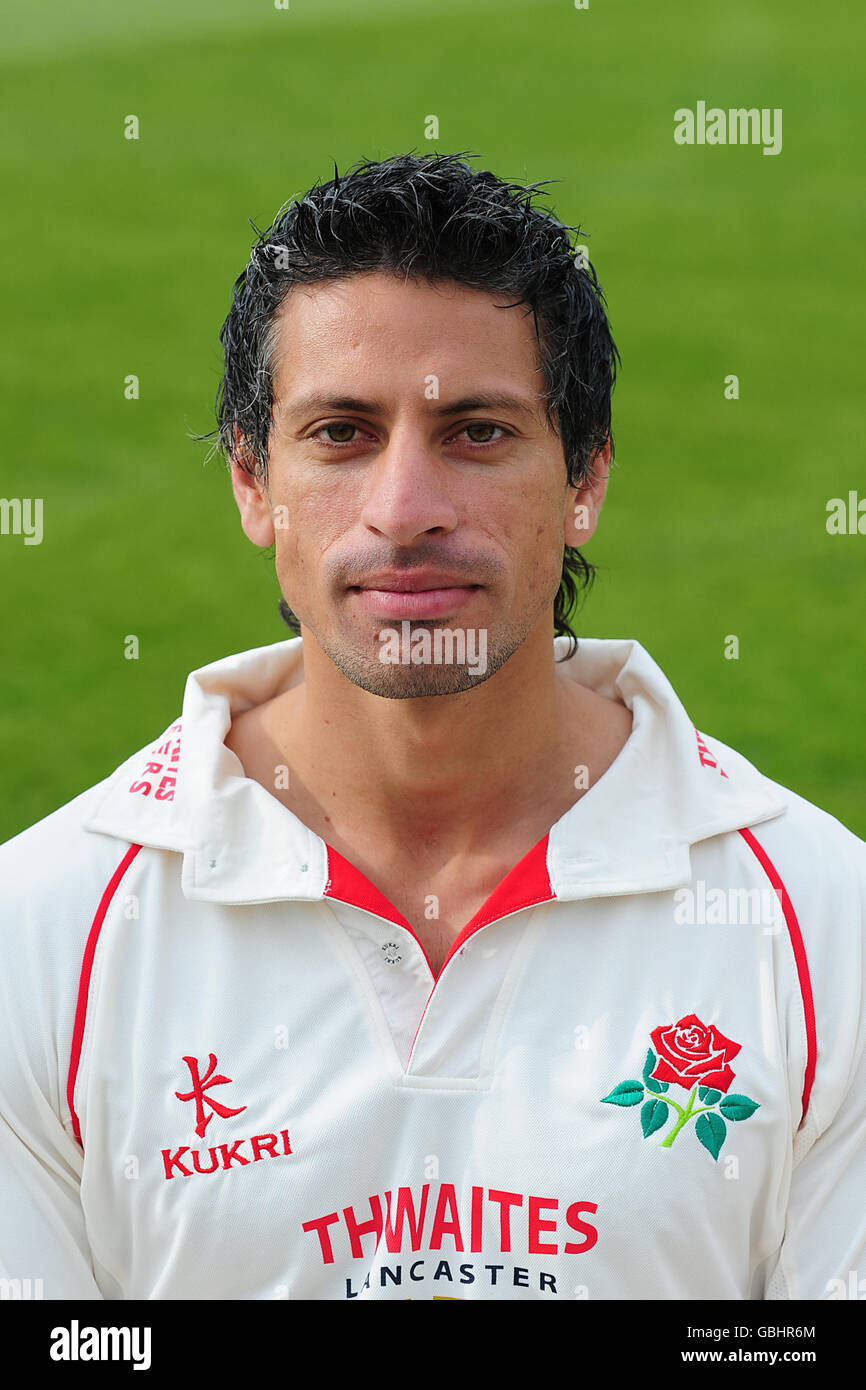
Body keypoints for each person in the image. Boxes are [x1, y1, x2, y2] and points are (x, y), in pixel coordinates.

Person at [1, 152, 863, 1302]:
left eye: (476, 433)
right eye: (342, 434)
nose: (404, 511)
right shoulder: (42, 938)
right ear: (252, 482)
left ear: (584, 477)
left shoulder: (821, 927)